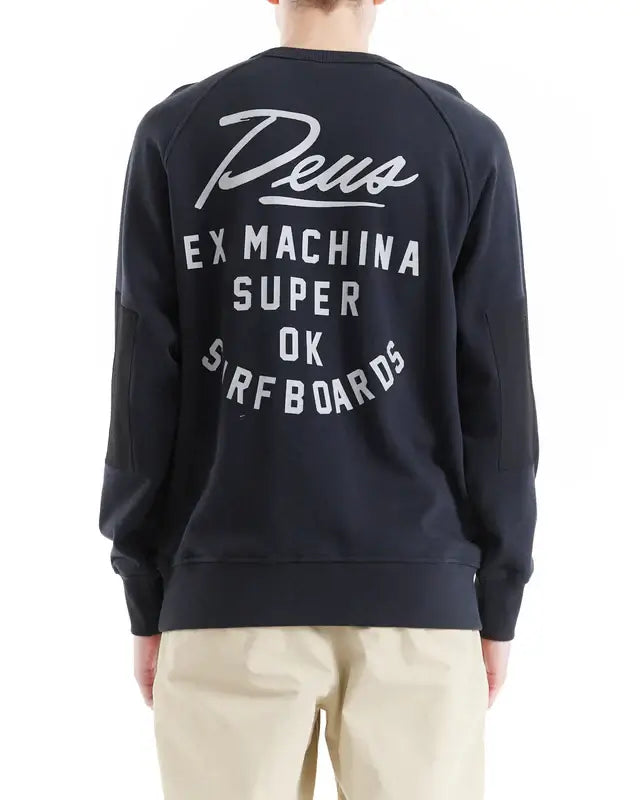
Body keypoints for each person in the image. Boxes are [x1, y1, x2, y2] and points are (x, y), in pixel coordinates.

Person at [98, 0, 539, 797]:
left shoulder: (179, 135)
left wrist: (146, 589)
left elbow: (141, 393)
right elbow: (499, 400)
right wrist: (499, 595)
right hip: (419, 603)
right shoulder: (461, 141)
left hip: (224, 598)